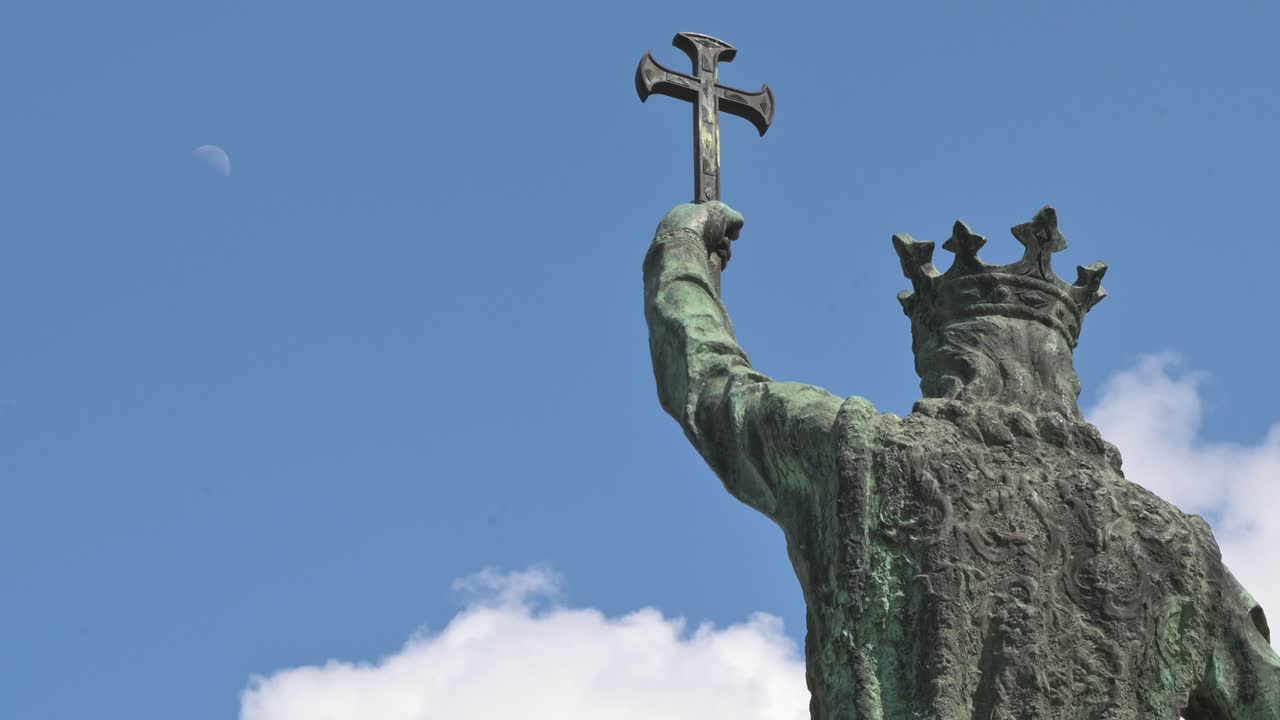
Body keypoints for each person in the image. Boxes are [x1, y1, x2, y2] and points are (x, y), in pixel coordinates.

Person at [643, 200, 1280, 719]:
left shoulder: (861, 455)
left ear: (938, 361)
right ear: (1066, 373)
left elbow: (712, 384)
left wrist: (682, 248)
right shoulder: (1177, 547)